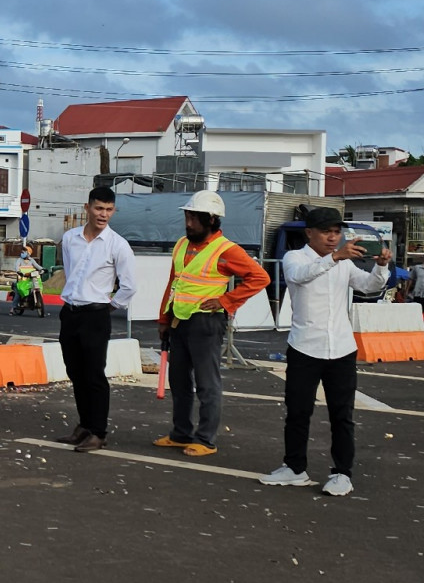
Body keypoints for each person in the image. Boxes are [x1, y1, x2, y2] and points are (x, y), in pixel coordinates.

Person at [261, 207, 390, 496]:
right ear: (310, 233)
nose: (333, 238)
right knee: (297, 411)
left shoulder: (344, 263)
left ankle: (342, 473)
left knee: (342, 414)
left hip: (342, 348)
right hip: (305, 346)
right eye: (326, 232)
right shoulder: (294, 257)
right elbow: (300, 276)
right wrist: (335, 257)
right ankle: (294, 468)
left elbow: (368, 287)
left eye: (336, 232)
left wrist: (381, 267)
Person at [154, 191, 269, 457]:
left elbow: (259, 277)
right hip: (179, 320)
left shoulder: (226, 250)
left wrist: (226, 301)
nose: (189, 222)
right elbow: (174, 283)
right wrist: (164, 317)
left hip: (206, 323)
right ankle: (180, 434)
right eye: (187, 216)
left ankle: (205, 439)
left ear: (212, 220)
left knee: (207, 383)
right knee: (179, 381)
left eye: (195, 218)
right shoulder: (182, 244)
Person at [54, 187, 138, 453]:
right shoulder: (70, 238)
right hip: (70, 313)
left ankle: (98, 432)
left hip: (96, 315)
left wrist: (109, 306)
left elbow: (129, 286)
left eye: (109, 209)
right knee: (74, 372)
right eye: (99, 208)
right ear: (87, 207)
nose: (104, 214)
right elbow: (70, 271)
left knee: (94, 375)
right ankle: (85, 425)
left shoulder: (118, 245)